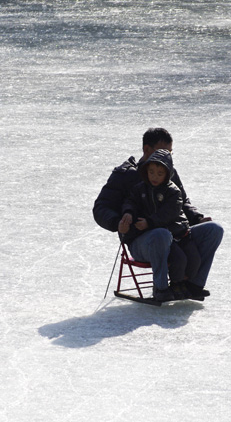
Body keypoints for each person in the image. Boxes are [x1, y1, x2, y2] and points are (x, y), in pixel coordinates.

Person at [93, 127, 223, 301]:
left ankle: (193, 285)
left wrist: (197, 217)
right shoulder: (125, 175)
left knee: (214, 229)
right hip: (141, 240)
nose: (168, 157)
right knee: (161, 234)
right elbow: (101, 207)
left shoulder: (169, 172)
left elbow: (182, 202)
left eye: (170, 152)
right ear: (147, 150)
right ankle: (161, 290)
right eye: (163, 152)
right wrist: (118, 222)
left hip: (173, 234)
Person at [120, 150, 201, 302]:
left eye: (159, 173)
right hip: (157, 237)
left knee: (193, 258)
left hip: (176, 233)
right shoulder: (140, 189)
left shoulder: (173, 191)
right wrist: (129, 213)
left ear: (167, 174)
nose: (154, 177)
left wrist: (149, 222)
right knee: (179, 258)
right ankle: (171, 286)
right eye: (151, 172)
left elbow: (169, 213)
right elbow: (130, 201)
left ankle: (183, 283)